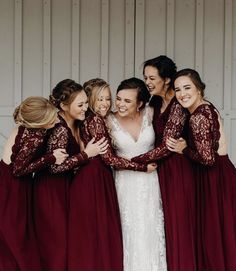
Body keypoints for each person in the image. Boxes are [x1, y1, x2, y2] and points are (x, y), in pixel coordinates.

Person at [68, 78, 156, 271]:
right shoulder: (96, 121)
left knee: (100, 233)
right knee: (97, 231)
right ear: (90, 100)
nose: (106, 104)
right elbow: (109, 158)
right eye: (100, 99)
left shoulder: (94, 119)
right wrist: (142, 167)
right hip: (95, 177)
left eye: (108, 99)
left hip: (99, 176)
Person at [131, 56, 197, 271]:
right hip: (158, 168)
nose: (147, 82)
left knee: (178, 222)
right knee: (162, 224)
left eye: (152, 78)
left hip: (176, 168)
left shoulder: (178, 104)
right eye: (145, 77)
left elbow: (168, 145)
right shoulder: (155, 102)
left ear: (167, 80)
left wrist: (132, 160)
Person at [166, 68, 236, 271]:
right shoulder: (208, 107)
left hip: (214, 179)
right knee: (225, 236)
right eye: (177, 90)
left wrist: (183, 149)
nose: (182, 94)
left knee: (214, 239)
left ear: (198, 88)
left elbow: (207, 159)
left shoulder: (198, 117)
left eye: (187, 87)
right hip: (224, 174)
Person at [33, 79, 107, 271]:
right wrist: (85, 155)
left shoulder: (75, 122)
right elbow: (53, 168)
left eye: (85, 102)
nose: (85, 108)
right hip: (51, 192)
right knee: (57, 246)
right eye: (80, 105)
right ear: (64, 106)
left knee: (68, 244)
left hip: (65, 189)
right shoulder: (59, 128)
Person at [106, 77, 167, 271]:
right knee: (128, 230)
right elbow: (108, 158)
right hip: (123, 183)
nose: (120, 105)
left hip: (150, 182)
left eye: (127, 101)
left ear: (140, 103)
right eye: (119, 99)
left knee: (151, 229)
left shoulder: (151, 114)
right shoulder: (108, 120)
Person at [0, 96, 67, 271]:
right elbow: (18, 170)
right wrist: (51, 157)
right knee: (17, 235)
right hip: (13, 188)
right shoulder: (33, 138)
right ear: (40, 123)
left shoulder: (26, 126)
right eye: (51, 118)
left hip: (7, 181)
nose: (56, 119)